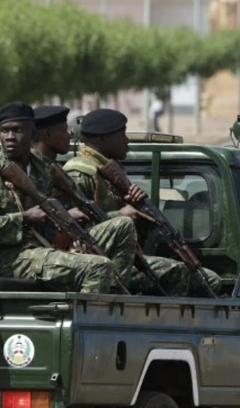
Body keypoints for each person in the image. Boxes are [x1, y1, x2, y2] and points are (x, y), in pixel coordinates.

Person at [0, 102, 137, 292]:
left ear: (32, 133)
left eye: (17, 130)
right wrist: (23, 219)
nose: (10, 137)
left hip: (45, 247)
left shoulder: (43, 167)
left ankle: (116, 295)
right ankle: (84, 319)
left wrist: (72, 236)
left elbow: (62, 210)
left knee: (123, 224)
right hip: (6, 258)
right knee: (98, 267)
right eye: (5, 131)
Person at [63, 108, 211, 296]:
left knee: (208, 280)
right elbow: (69, 227)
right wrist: (121, 215)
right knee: (177, 272)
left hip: (118, 256)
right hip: (91, 259)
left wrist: (137, 209)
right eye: (121, 134)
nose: (126, 140)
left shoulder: (110, 172)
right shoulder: (81, 173)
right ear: (101, 139)